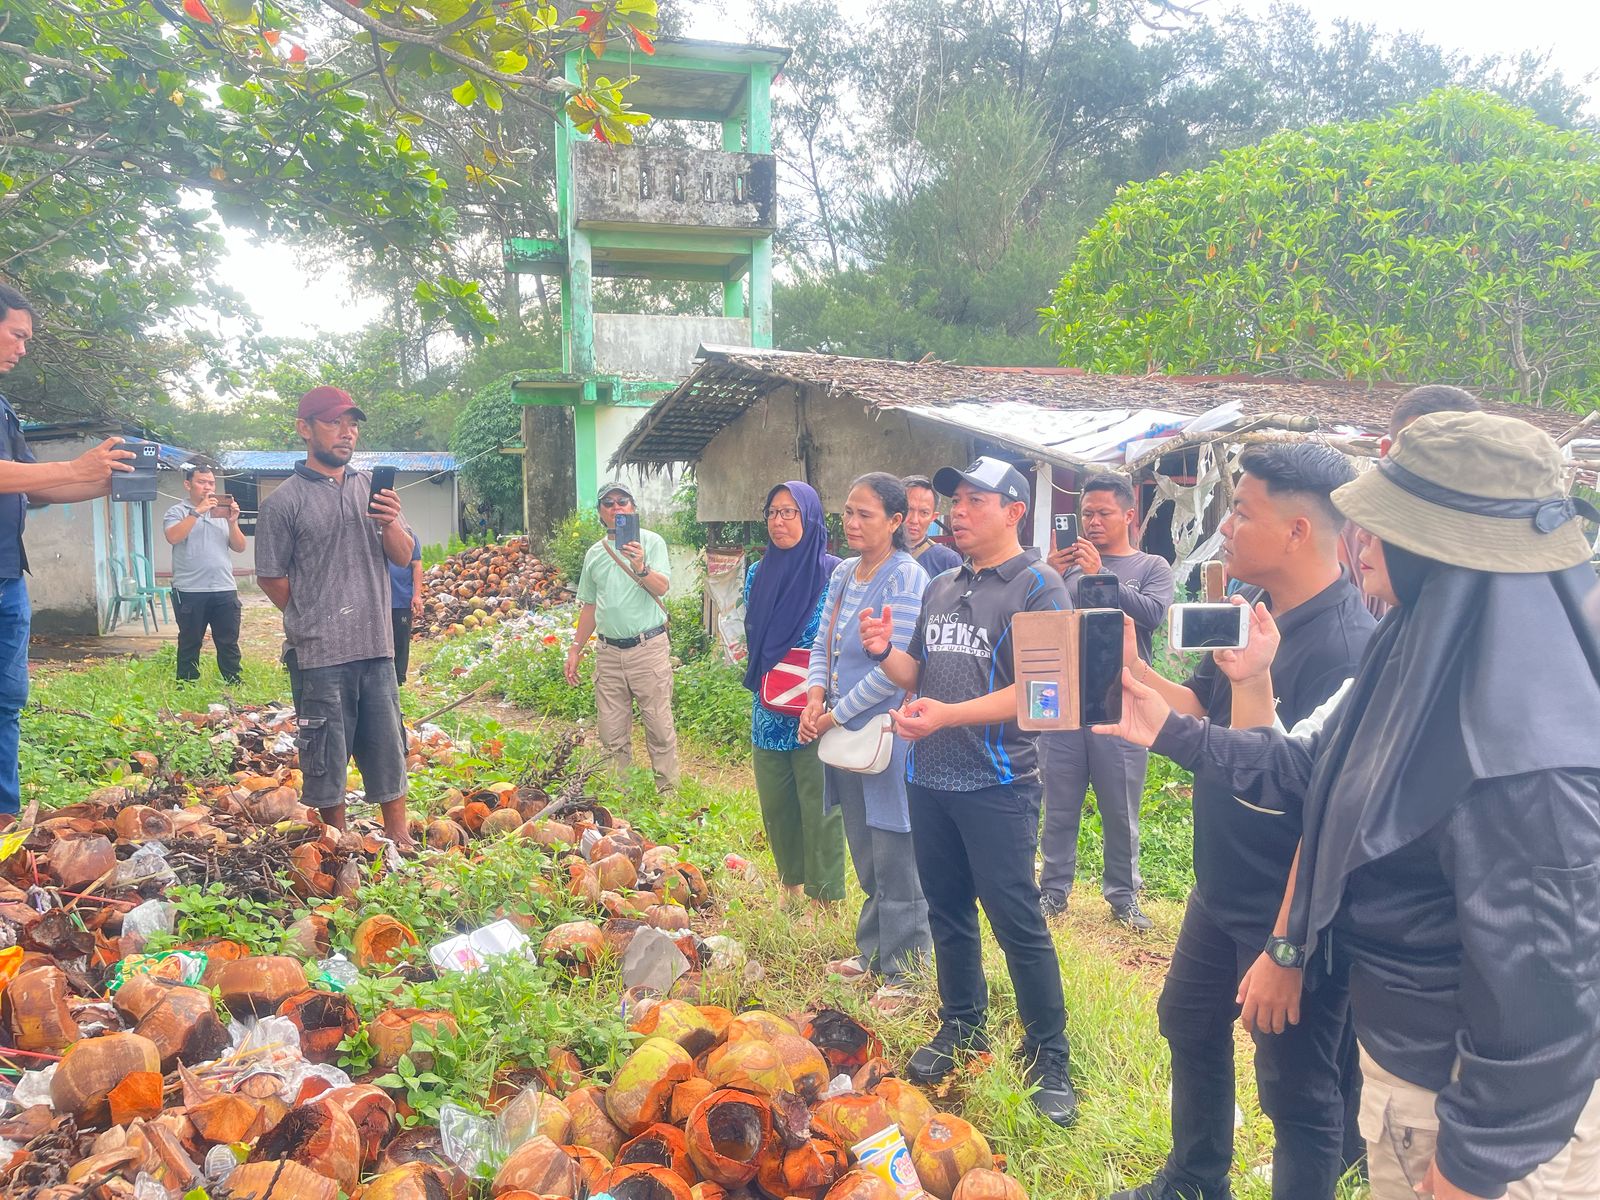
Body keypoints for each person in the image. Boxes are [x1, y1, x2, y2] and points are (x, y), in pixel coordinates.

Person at [1099, 410, 1600, 1200]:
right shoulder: (1417, 651)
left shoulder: (1527, 741)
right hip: (1409, 1071)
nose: (1358, 544)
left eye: (1378, 527)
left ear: (1441, 548)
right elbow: (1316, 769)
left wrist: (1470, 1167)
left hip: (1479, 1122)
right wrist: (1171, 730)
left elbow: (1548, 997)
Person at [1108, 443, 1376, 1200]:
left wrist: (1287, 946)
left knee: (1297, 1092)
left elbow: (1319, 808)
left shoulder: (1348, 648)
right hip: (1220, 884)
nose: (1225, 526)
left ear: (1297, 530)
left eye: (1242, 510)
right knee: (1187, 1021)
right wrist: (1134, 668)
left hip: (1289, 905)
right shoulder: (1247, 613)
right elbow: (1201, 707)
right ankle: (1194, 1178)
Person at [858, 455, 1078, 1126]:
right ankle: (962, 1027)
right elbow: (915, 674)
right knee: (948, 913)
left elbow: (1046, 694)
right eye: (956, 499)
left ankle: (1050, 1055)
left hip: (999, 783)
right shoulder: (943, 585)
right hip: (929, 778)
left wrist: (948, 716)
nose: (958, 510)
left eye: (976, 501)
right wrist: (881, 652)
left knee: (1017, 923)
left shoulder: (1038, 587)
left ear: (1014, 512)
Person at [255, 386, 415, 849]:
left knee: (387, 745)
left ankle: (399, 837)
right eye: (333, 422)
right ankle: (336, 841)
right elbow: (271, 577)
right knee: (325, 753)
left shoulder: (373, 489)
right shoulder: (283, 502)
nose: (347, 433)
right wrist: (313, 614)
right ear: (305, 429)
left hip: (376, 645)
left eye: (353, 424)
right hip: (320, 653)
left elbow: (403, 558)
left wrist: (391, 522)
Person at [0, 284, 135, 825]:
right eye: (17, 335)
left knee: (7, 704)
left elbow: (31, 486)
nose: (23, 348)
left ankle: (3, 820)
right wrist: (72, 468)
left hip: (8, 580)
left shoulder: (3, 407)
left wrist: (103, 484)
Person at [798, 473, 932, 1008]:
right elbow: (821, 644)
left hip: (885, 734)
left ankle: (907, 971)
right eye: (848, 512)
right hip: (844, 732)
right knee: (865, 847)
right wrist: (814, 696)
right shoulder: (845, 574)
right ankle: (874, 951)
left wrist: (833, 716)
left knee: (896, 849)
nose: (851, 523)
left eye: (865, 515)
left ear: (896, 522)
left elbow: (893, 671)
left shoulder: (907, 577)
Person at [1039, 473, 1175, 929]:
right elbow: (1031, 617)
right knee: (1058, 803)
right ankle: (1053, 891)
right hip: (1065, 698)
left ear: (1129, 515)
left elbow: (1153, 614)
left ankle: (1123, 894)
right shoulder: (1063, 568)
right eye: (1087, 514)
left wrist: (1101, 575)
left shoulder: (1151, 566)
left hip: (1121, 702)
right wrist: (1050, 574)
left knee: (1120, 806)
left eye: (1104, 513)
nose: (1093, 522)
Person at [741, 481, 845, 915]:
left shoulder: (835, 573)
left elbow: (841, 640)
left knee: (819, 804)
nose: (778, 521)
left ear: (811, 517)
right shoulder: (756, 574)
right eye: (772, 512)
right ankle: (791, 888)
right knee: (777, 802)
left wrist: (826, 700)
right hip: (769, 708)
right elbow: (757, 639)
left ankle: (825, 900)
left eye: (789, 513)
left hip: (816, 706)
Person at [564, 482, 678, 790]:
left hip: (648, 648)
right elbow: (589, 604)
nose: (616, 508)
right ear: (601, 513)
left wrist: (640, 565)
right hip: (609, 653)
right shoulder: (595, 554)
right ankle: (620, 797)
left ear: (633, 508)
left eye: (622, 502)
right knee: (611, 732)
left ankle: (668, 794)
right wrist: (576, 647)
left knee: (658, 727)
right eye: (609, 504)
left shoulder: (652, 543)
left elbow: (662, 588)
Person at [1342, 385, 1483, 622]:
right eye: (1421, 450)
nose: (1437, 466)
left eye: (1452, 450)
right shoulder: (1355, 520)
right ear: (1387, 451)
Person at [163, 464, 245, 684]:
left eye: (211, 482)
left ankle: (233, 680)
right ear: (188, 484)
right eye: (201, 482)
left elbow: (239, 547)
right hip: (190, 590)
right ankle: (187, 683)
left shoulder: (222, 512)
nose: (207, 487)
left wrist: (233, 522)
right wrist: (197, 512)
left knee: (228, 640)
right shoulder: (177, 511)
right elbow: (173, 537)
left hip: (224, 587)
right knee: (190, 641)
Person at [901, 475, 963, 576]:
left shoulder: (947, 561)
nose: (914, 520)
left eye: (924, 513)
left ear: (933, 517)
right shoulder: (875, 553)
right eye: (908, 510)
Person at [388, 519, 423, 684]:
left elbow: (417, 565)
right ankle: (384, 678)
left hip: (401, 600)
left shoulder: (410, 537)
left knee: (400, 641)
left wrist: (417, 595)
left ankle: (398, 678)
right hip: (379, 602)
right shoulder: (377, 537)